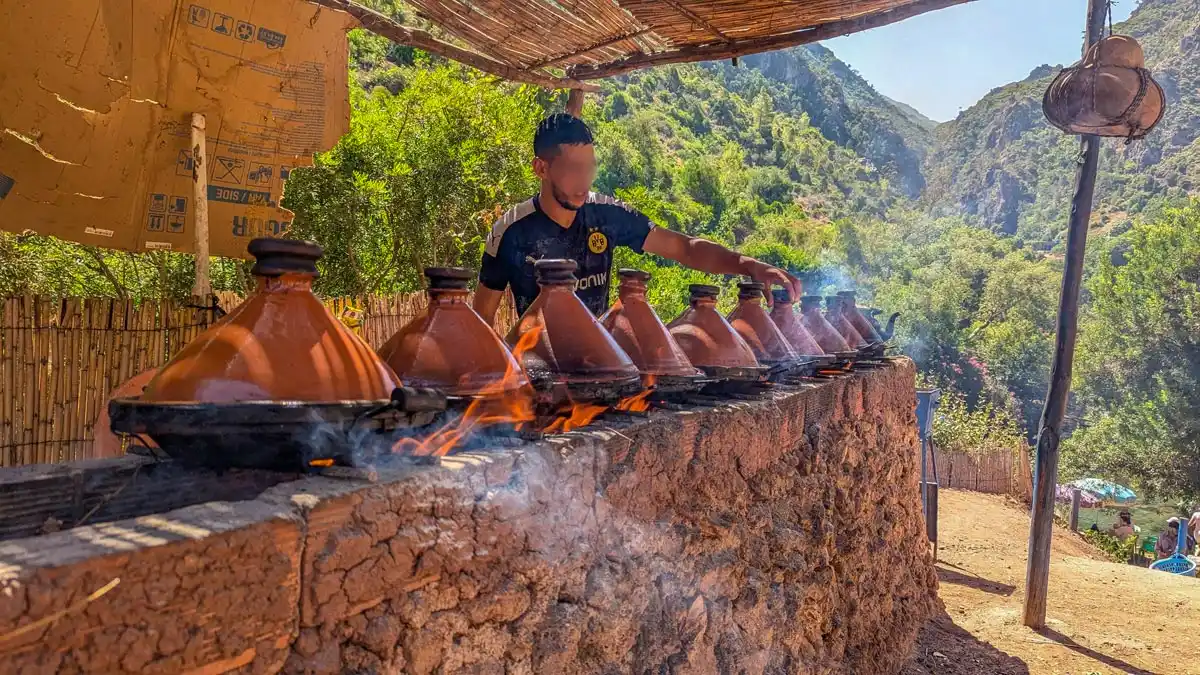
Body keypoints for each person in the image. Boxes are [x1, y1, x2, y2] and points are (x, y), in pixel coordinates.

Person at [473, 113, 802, 323]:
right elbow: (482, 319)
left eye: (590, 168)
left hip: (601, 363)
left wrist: (748, 264)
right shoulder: (511, 231)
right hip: (537, 366)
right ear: (541, 168)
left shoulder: (607, 214)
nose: (584, 182)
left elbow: (685, 248)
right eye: (573, 169)